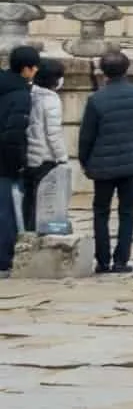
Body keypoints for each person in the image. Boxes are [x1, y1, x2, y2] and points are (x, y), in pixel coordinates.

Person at [78, 50, 133, 273]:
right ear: (126, 69)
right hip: (132, 161)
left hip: (103, 164)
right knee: (127, 212)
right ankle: (121, 260)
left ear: (103, 71)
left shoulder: (96, 100)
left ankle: (102, 260)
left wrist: (85, 161)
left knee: (101, 211)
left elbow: (87, 136)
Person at [0, 44, 34, 274]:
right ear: (27, 69)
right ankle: (4, 259)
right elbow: (14, 134)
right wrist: (17, 164)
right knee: (6, 212)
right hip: (4, 163)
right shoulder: (20, 94)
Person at [24, 59, 68, 236]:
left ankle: (27, 232)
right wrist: (62, 157)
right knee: (45, 201)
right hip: (46, 157)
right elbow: (53, 133)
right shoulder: (51, 100)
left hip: (29, 156)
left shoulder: (29, 94)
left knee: (29, 199)